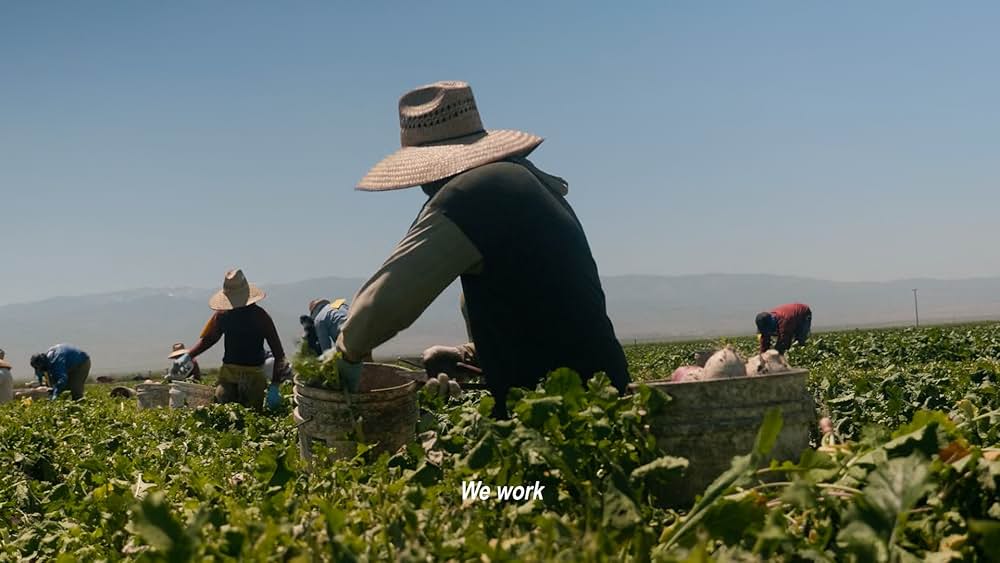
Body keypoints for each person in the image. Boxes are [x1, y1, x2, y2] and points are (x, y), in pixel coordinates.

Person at [334, 81, 630, 418]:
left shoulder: (473, 194)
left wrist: (344, 356)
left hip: (560, 416)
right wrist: (471, 355)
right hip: (601, 399)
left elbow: (384, 302)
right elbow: (544, 308)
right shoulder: (524, 181)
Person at [173, 269, 286, 411]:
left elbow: (279, 354)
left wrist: (275, 386)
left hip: (254, 374)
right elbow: (209, 340)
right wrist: (188, 356)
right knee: (224, 411)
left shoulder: (260, 317)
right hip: (228, 374)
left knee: (252, 415)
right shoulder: (222, 315)